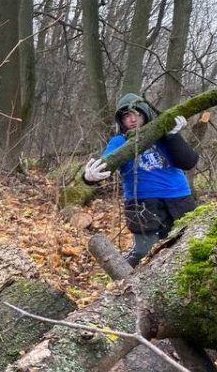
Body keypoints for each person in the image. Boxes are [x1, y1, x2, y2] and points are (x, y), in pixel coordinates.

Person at [82, 93, 199, 267]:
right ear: (121, 120)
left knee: (188, 244)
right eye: (127, 116)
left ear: (145, 114)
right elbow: (105, 164)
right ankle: (123, 276)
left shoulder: (164, 135)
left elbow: (189, 162)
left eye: (137, 114)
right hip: (143, 203)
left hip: (179, 197)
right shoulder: (120, 141)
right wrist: (88, 177)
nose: (132, 119)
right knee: (144, 250)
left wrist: (174, 136)